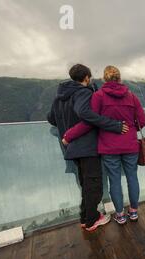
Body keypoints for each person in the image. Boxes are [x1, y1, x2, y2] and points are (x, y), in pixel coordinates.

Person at [47, 64, 129, 232]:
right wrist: (114, 125)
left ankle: (85, 218)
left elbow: (51, 119)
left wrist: (67, 129)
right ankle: (92, 221)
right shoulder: (83, 92)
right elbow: (86, 114)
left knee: (86, 184)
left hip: (71, 148)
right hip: (86, 146)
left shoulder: (59, 97)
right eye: (90, 77)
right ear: (86, 77)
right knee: (94, 185)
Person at [63, 65, 145, 225]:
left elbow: (90, 121)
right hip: (130, 145)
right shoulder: (131, 96)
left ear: (104, 79)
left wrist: (69, 135)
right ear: (119, 78)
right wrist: (130, 130)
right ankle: (134, 212)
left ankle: (120, 215)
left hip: (109, 147)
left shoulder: (98, 96)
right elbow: (142, 121)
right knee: (132, 178)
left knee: (114, 180)